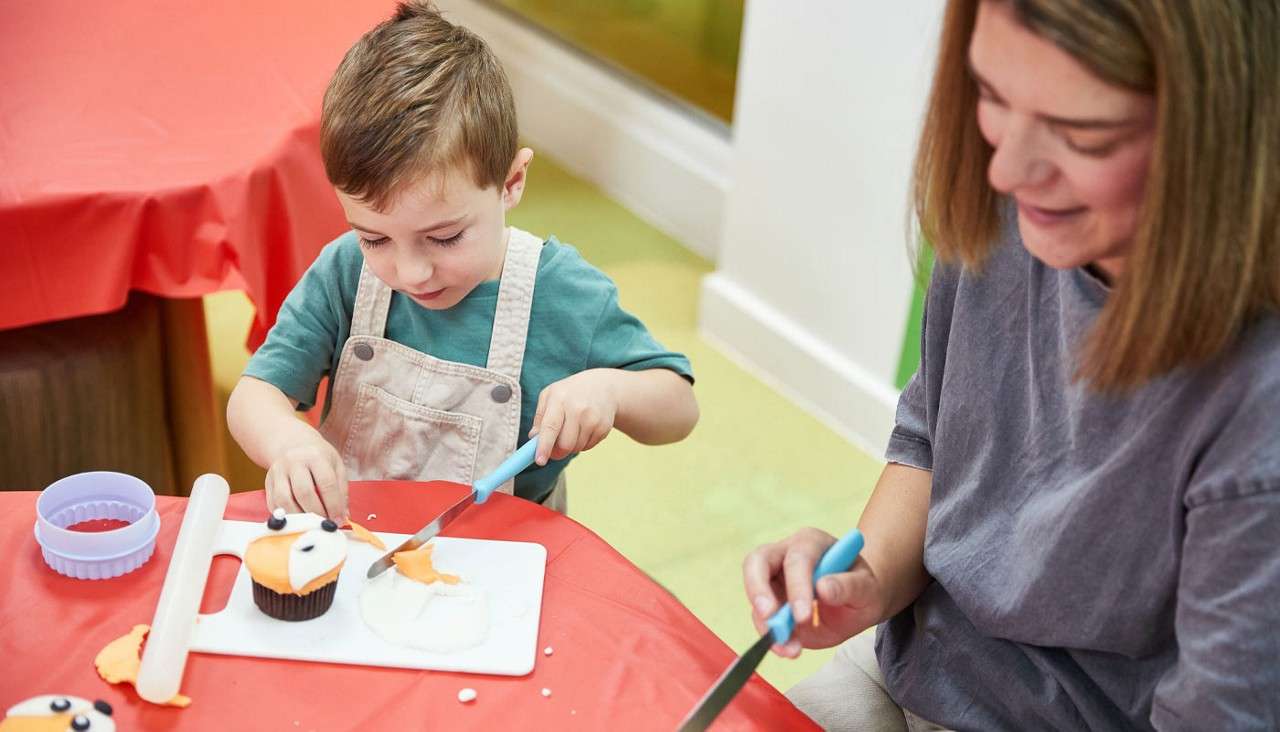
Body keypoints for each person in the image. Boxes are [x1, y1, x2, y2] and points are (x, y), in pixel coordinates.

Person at [742, 0, 1279, 729]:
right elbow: (936, 440)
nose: (1008, 168)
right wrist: (864, 582)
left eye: (1080, 134)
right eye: (992, 96)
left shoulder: (1257, 405)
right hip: (909, 668)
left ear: (1223, 135)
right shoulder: (1009, 211)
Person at [227, 2, 698, 523]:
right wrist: (287, 442)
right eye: (374, 238)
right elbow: (253, 396)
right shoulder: (344, 273)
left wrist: (611, 390)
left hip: (507, 553)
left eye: (445, 237)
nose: (411, 273)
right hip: (359, 539)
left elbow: (679, 409)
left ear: (511, 183)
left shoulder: (562, 293)